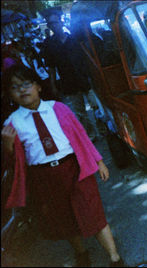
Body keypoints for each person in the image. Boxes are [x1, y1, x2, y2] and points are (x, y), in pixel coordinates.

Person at [1, 65, 125, 267]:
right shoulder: (12, 123)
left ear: (38, 86)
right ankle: (81, 253)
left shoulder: (58, 108)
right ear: (9, 94)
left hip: (74, 168)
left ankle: (114, 257)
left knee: (93, 212)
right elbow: (16, 164)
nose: (22, 90)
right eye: (15, 87)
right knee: (63, 218)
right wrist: (7, 146)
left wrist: (99, 161)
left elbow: (81, 137)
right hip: (44, 176)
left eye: (26, 84)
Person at [42, 12, 97, 141]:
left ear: (61, 22)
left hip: (85, 79)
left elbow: (87, 59)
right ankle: (91, 135)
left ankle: (103, 129)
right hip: (69, 83)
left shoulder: (74, 39)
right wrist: (53, 85)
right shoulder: (49, 44)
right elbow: (51, 67)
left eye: (55, 22)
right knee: (79, 112)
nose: (53, 26)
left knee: (96, 106)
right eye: (50, 24)